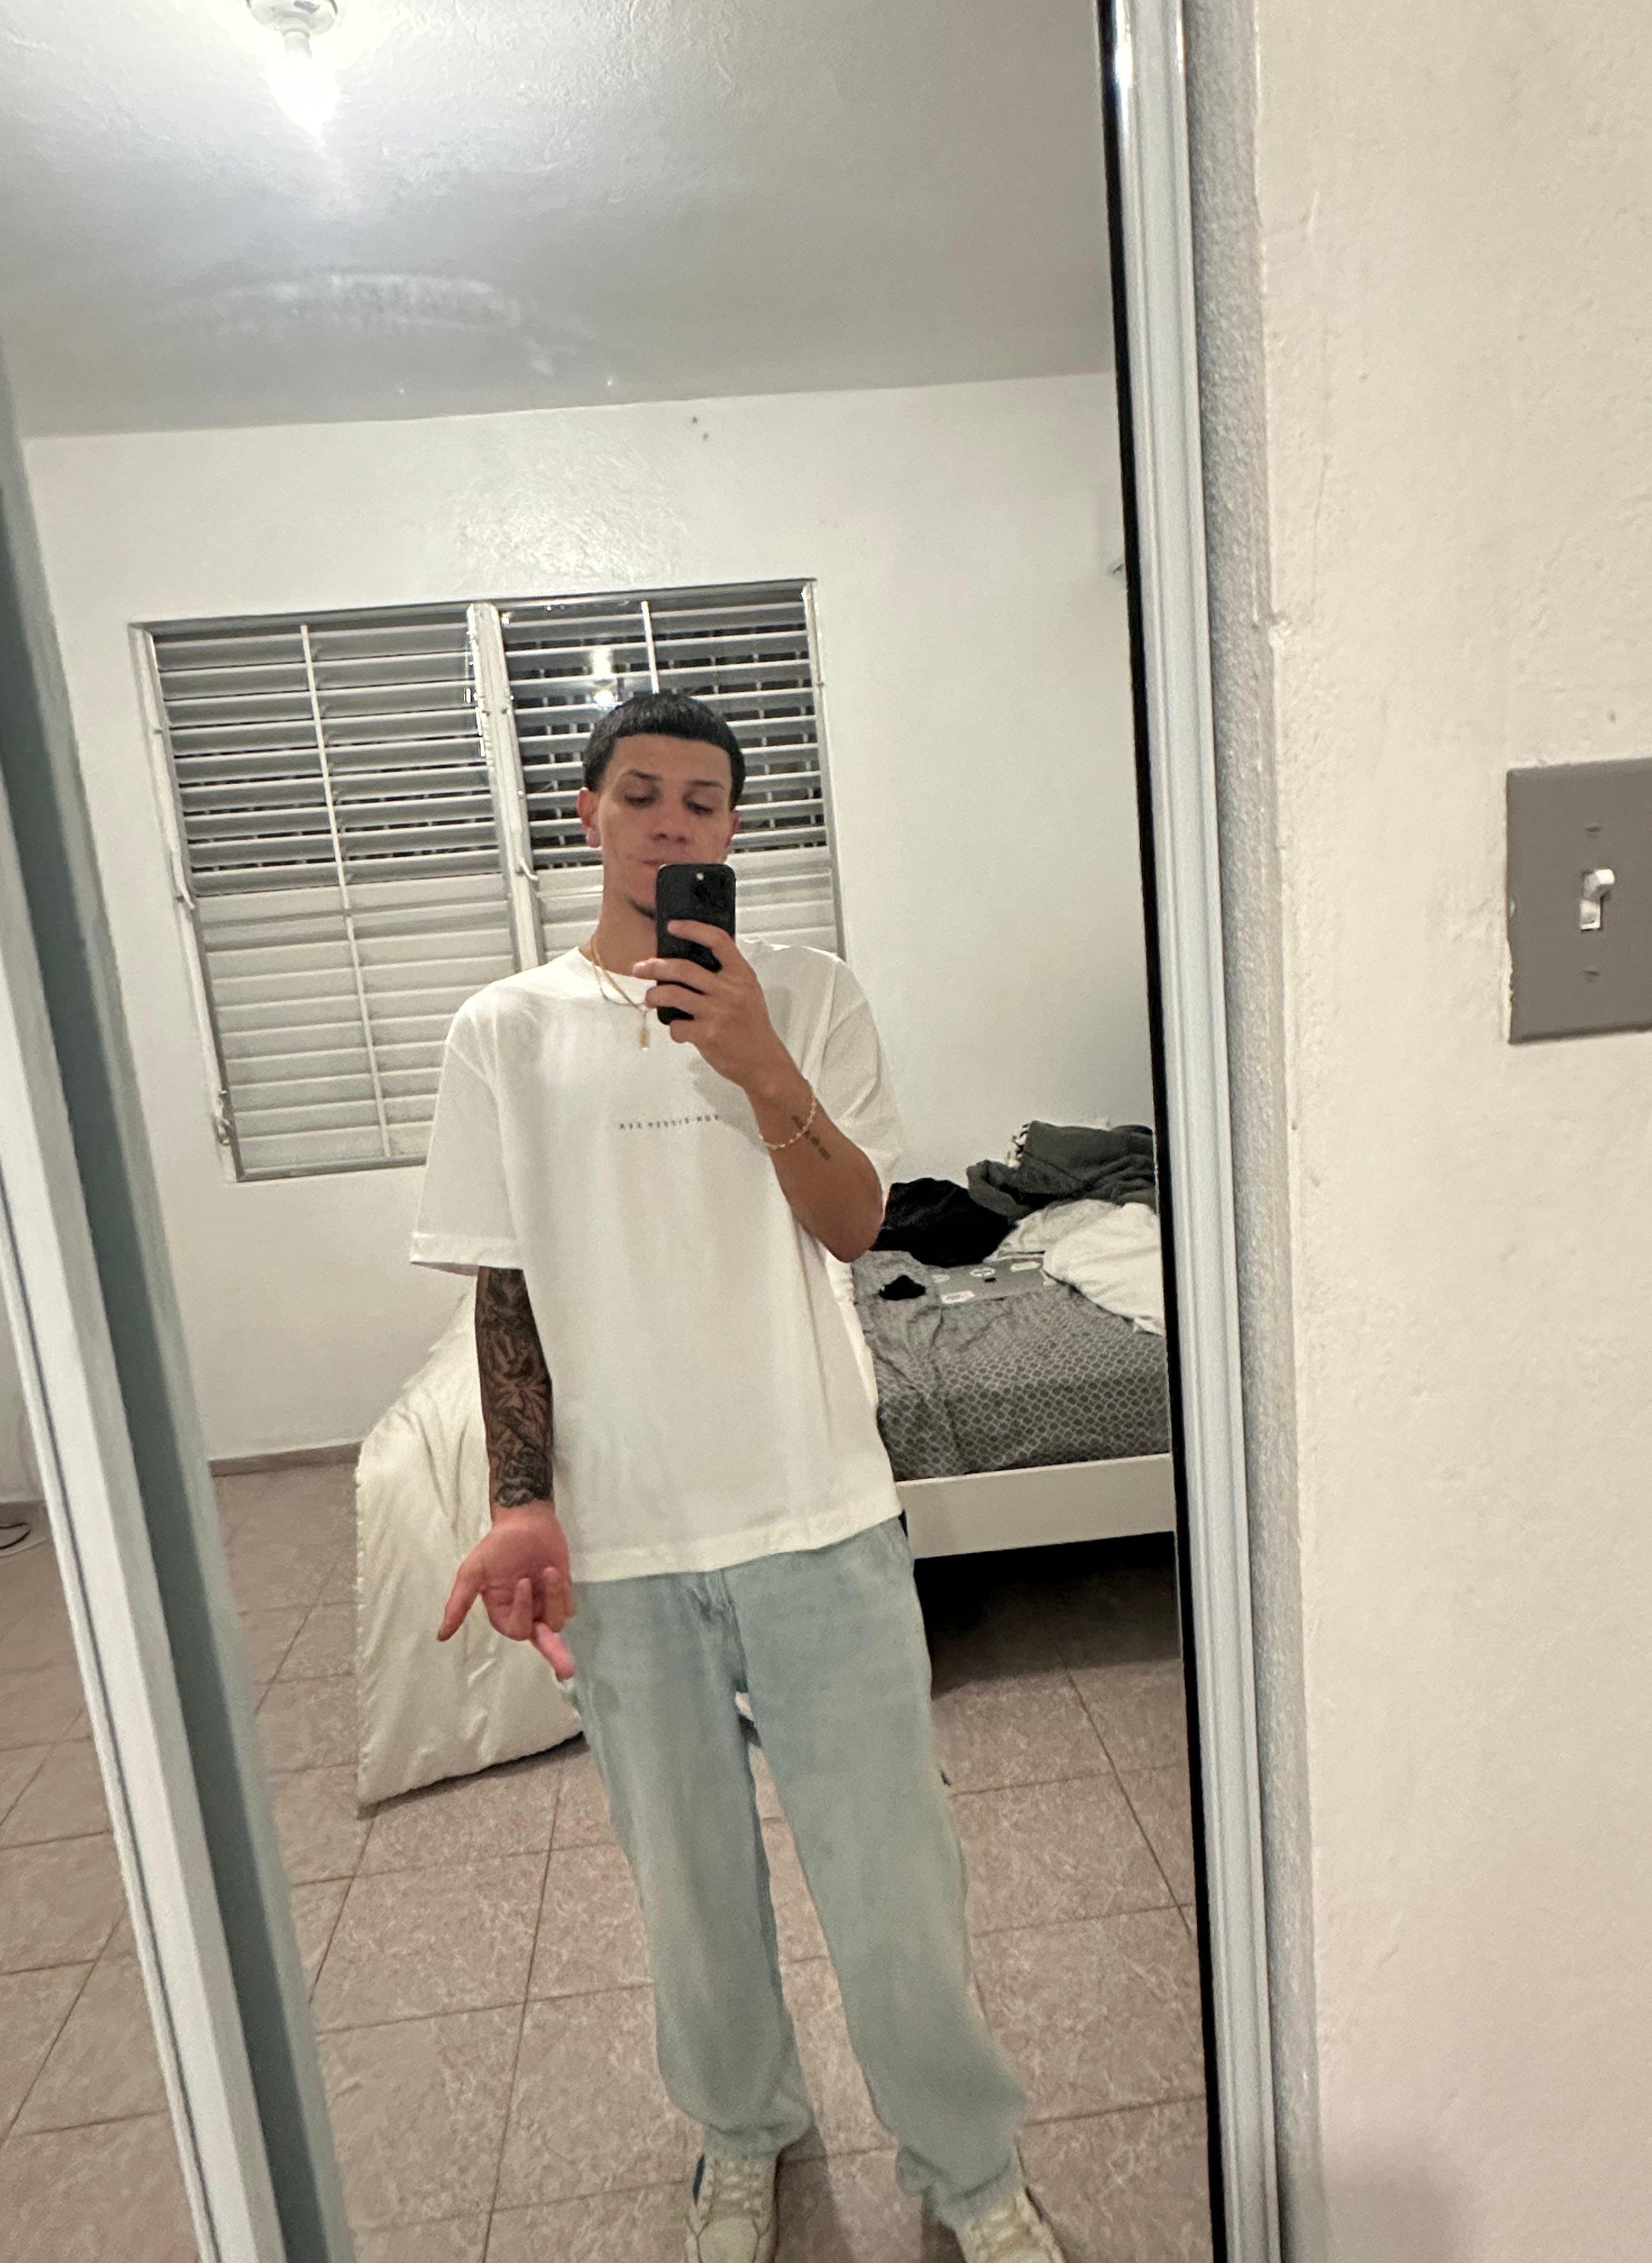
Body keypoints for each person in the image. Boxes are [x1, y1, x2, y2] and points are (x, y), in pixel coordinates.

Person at [413, 691, 1066, 2263]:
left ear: (731, 831)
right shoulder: (505, 1029)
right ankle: (742, 2134)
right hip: (624, 1539)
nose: (671, 824)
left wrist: (762, 1058)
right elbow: (505, 1285)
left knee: (895, 1881)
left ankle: (969, 2170)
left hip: (816, 1507)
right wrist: (519, 1499)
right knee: (690, 1895)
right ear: (587, 815)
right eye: (640, 794)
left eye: (702, 803)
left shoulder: (812, 995)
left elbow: (856, 1225)